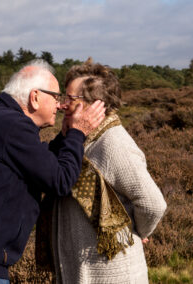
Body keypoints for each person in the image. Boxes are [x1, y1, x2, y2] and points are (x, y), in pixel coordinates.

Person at [0, 59, 106, 284]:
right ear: (35, 97)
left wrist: (64, 137)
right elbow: (61, 181)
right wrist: (77, 133)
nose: (61, 105)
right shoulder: (12, 126)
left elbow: (38, 163)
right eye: (56, 97)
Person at [49, 60, 167, 283]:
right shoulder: (81, 141)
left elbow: (153, 203)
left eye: (71, 99)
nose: (63, 105)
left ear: (95, 106)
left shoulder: (112, 143)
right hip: (84, 272)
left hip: (112, 273)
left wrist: (135, 231)